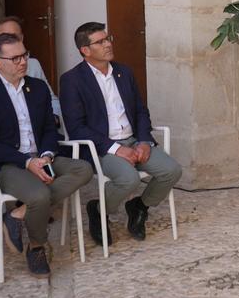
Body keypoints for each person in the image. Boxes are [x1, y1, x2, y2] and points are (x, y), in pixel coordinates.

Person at [0, 33, 93, 277]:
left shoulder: (36, 88)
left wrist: (46, 155)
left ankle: (16, 215)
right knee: (39, 195)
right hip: (6, 164)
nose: (23, 62)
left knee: (84, 168)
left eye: (24, 55)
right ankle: (36, 247)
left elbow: (49, 128)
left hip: (40, 156)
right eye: (14, 58)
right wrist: (27, 162)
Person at [60, 22, 181, 247]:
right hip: (101, 148)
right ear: (85, 50)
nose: (107, 45)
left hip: (134, 140)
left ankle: (139, 207)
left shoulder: (123, 72)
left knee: (171, 170)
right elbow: (76, 127)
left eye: (108, 39)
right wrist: (117, 149)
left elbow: (140, 110)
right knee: (129, 179)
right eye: (100, 42)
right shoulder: (72, 80)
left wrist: (144, 141)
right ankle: (98, 209)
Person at [0, 16, 61, 118]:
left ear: (21, 39)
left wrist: (54, 118)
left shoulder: (33, 64)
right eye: (3, 38)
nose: (23, 63)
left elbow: (51, 99)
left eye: (13, 37)